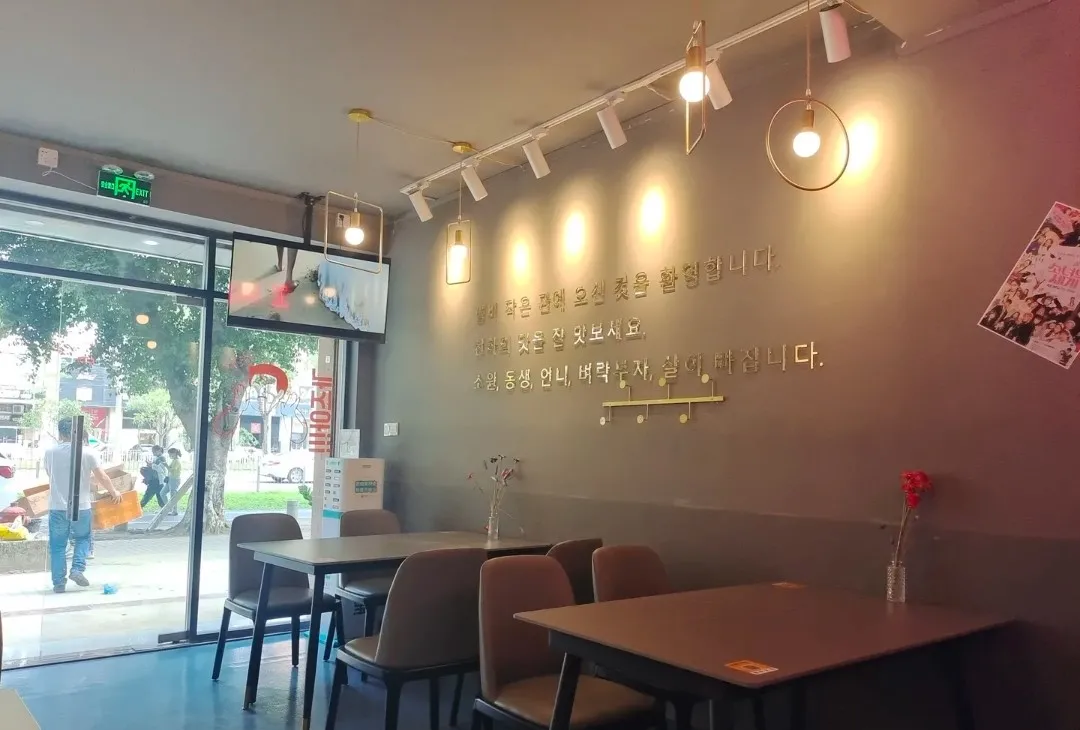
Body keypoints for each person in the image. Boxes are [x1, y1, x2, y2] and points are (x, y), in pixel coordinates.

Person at [44, 421, 121, 593]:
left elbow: (51, 475)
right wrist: (114, 492)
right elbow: (102, 477)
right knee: (83, 538)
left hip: (57, 506)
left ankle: (58, 583)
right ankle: (77, 569)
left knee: (57, 545)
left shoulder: (50, 452)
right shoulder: (88, 452)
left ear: (60, 433)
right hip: (81, 506)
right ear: (78, 432)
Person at [165, 448, 183, 516]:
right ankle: (169, 508)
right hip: (171, 479)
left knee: (173, 496)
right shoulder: (173, 461)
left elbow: (172, 471)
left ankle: (174, 511)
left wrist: (166, 466)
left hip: (175, 480)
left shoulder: (177, 461)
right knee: (163, 493)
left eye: (170, 454)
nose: (169, 455)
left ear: (174, 454)